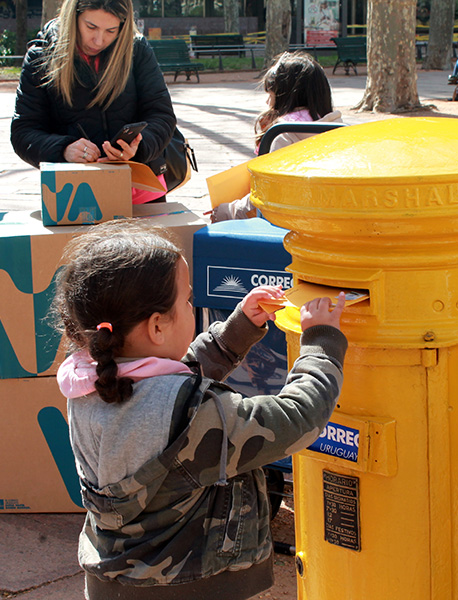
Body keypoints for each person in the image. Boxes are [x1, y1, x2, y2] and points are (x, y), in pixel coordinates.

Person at [53, 220, 348, 599]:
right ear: (157, 326)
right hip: (195, 584)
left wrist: (238, 328)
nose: (192, 307)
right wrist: (322, 341)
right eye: (187, 301)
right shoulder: (195, 414)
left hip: (114, 580)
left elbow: (167, 384)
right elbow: (296, 419)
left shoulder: (91, 381)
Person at [10, 0, 176, 204]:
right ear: (73, 16)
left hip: (142, 190)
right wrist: (63, 149)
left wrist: (138, 148)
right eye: (91, 27)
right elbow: (23, 132)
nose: (98, 40)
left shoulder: (137, 49)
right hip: (75, 195)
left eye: (111, 30)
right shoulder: (41, 56)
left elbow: (162, 116)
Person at [212, 51, 342, 222]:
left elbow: (268, 197)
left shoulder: (282, 135)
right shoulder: (338, 128)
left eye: (270, 95)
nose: (268, 102)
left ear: (284, 97)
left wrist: (227, 211)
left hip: (286, 225)